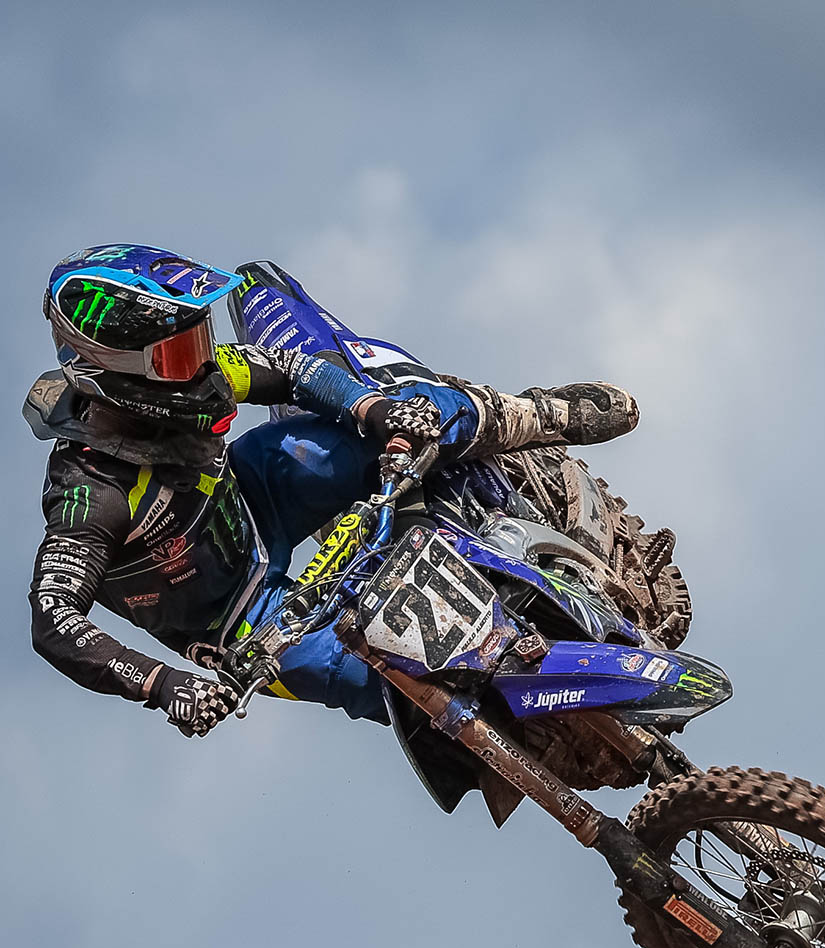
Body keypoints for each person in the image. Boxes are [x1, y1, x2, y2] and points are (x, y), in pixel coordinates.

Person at [25, 244, 639, 736]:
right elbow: (54, 621)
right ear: (110, 374)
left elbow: (292, 369)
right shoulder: (91, 496)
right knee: (405, 694)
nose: (204, 361)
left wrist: (373, 410)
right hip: (240, 627)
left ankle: (541, 417)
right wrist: (163, 685)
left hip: (259, 493)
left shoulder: (204, 373)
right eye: (178, 354)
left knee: (406, 414)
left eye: (200, 337)